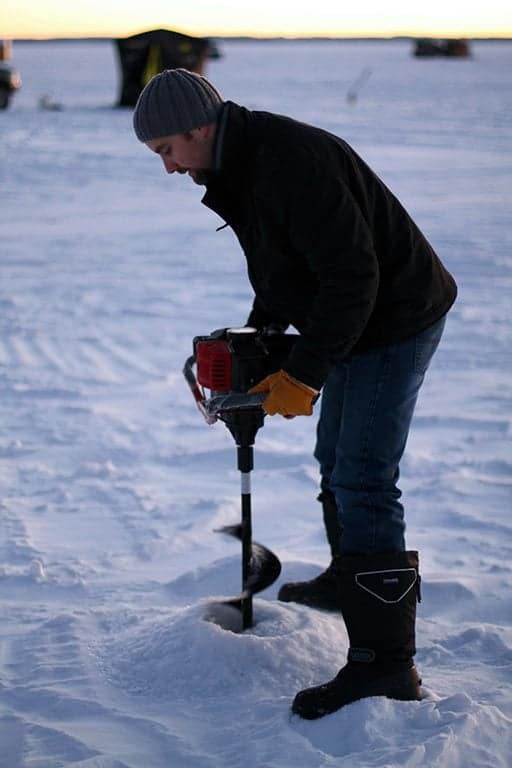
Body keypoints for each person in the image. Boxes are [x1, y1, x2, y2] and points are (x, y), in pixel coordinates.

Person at [133, 69, 457, 719]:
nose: (168, 168)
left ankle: (385, 664)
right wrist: (264, 330)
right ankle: (351, 579)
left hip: (394, 317)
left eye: (167, 149)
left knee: (363, 477)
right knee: (337, 459)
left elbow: (353, 275)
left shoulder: (287, 162)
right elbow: (286, 263)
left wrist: (305, 372)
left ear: (199, 128)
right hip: (357, 317)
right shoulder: (237, 161)